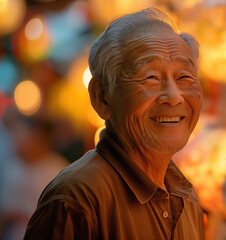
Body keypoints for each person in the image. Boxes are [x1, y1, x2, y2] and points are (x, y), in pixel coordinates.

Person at [24, 7, 205, 239]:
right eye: (151, 77)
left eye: (185, 77)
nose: (174, 96)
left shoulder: (186, 197)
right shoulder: (75, 201)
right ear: (102, 97)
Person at [0, 106, 69, 240]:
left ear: (41, 140)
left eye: (28, 138)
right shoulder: (11, 167)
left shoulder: (59, 170)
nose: (20, 142)